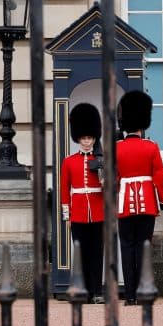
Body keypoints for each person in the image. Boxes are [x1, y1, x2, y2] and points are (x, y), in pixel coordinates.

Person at [116, 90, 163, 305]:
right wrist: (161, 201)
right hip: (147, 203)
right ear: (143, 124)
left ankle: (129, 296)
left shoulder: (116, 148)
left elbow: (113, 177)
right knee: (144, 246)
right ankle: (144, 291)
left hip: (125, 203)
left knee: (127, 248)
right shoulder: (151, 146)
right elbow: (159, 176)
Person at [60, 103, 105, 303]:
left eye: (90, 138)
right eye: (84, 138)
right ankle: (83, 290)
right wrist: (66, 214)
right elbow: (64, 189)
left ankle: (97, 291)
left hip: (98, 211)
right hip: (77, 212)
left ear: (94, 138)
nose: (87, 142)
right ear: (78, 138)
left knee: (97, 254)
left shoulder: (102, 160)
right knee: (81, 253)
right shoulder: (69, 161)